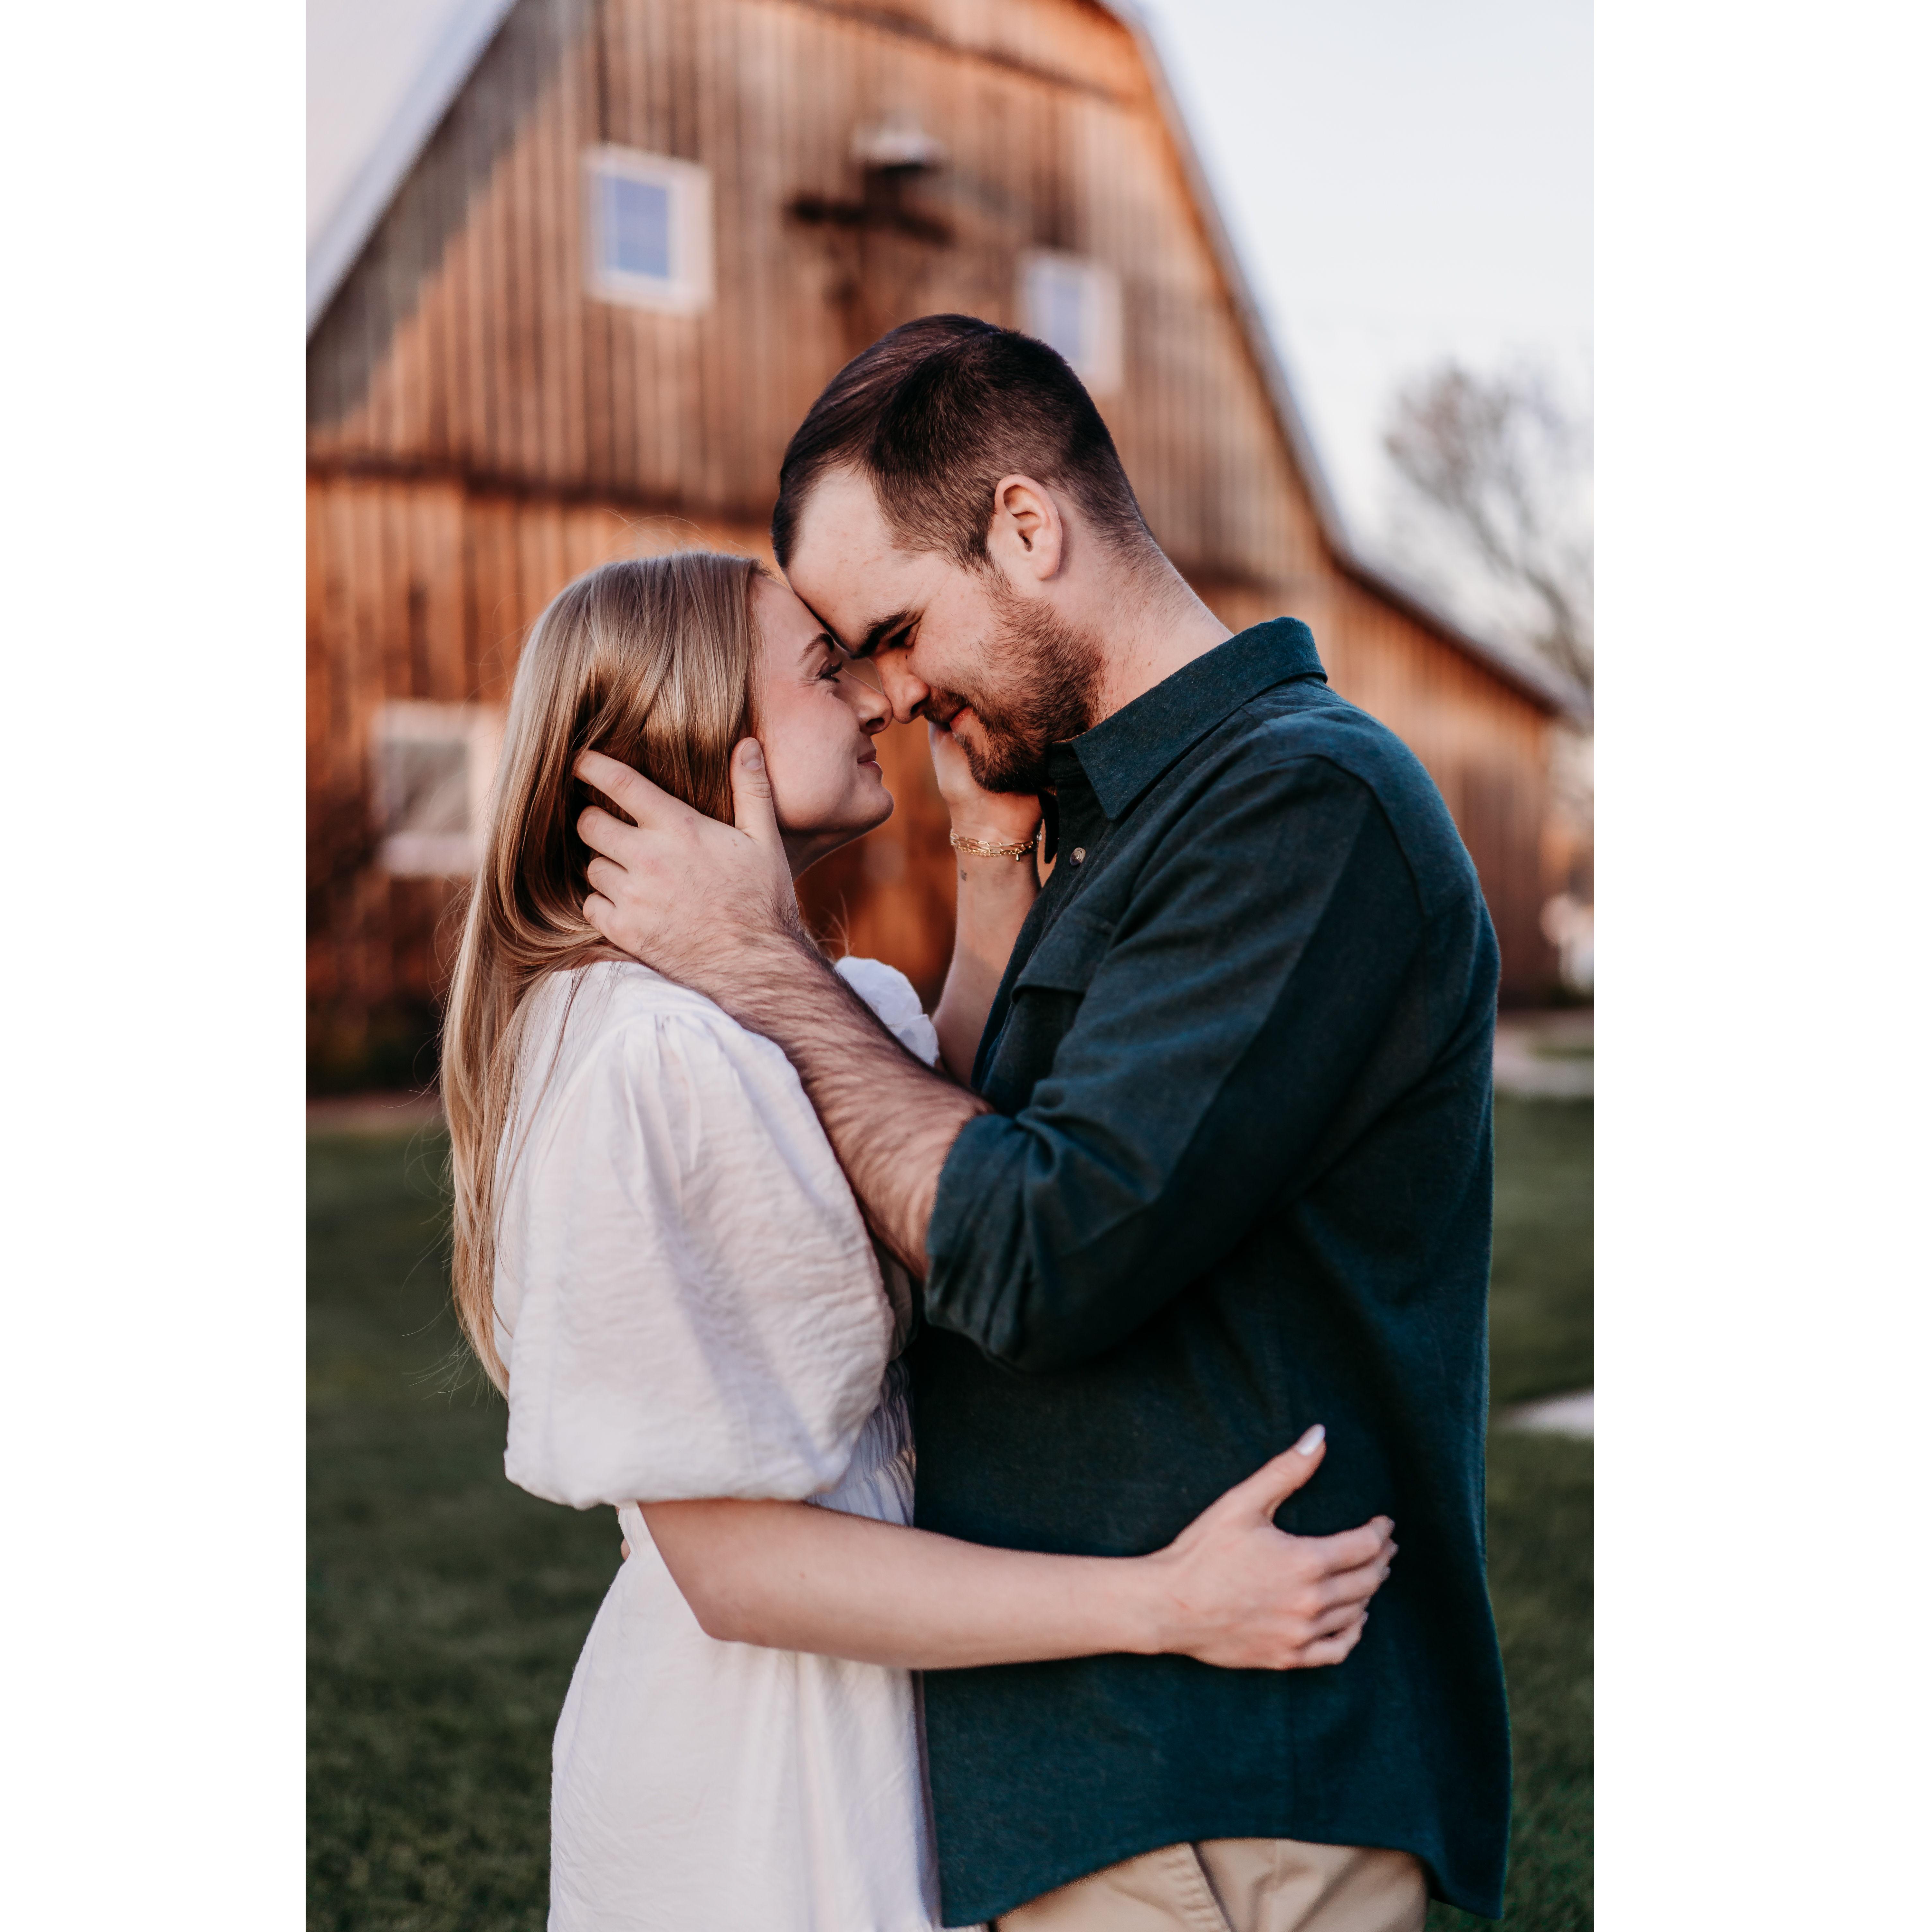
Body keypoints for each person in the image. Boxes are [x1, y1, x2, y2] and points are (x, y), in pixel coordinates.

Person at [572, 318, 1513, 1932]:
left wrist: (763, 965)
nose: (888, 693)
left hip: (1225, 1773)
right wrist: (992, 870)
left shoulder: (1300, 807)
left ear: (1025, 525)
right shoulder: (1109, 825)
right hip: (1099, 1779)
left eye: (892, 632)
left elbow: (1033, 1250)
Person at [440, 550, 1397, 1932]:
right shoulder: (649, 1055)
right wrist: (1167, 1604)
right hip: (755, 1782)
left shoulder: (753, 1000)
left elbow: (930, 1145)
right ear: (708, 729)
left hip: (873, 1701)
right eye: (826, 669)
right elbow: (737, 1568)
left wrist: (987, 845)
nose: (881, 698)